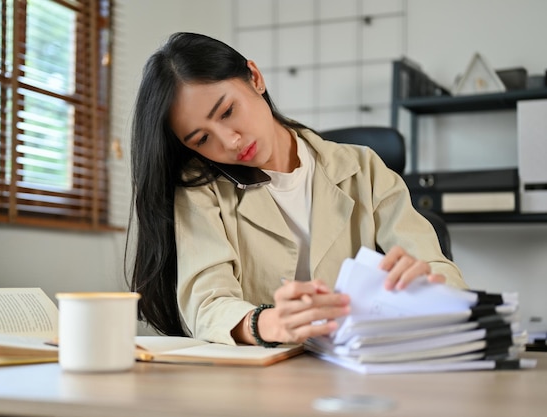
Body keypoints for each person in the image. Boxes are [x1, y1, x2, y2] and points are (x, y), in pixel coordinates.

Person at [126, 32, 466, 347]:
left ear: (255, 78)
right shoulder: (201, 189)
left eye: (228, 111)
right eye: (202, 139)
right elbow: (207, 305)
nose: (230, 141)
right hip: (266, 381)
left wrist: (425, 282)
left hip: (364, 368)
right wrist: (266, 323)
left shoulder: (364, 168)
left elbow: (440, 271)